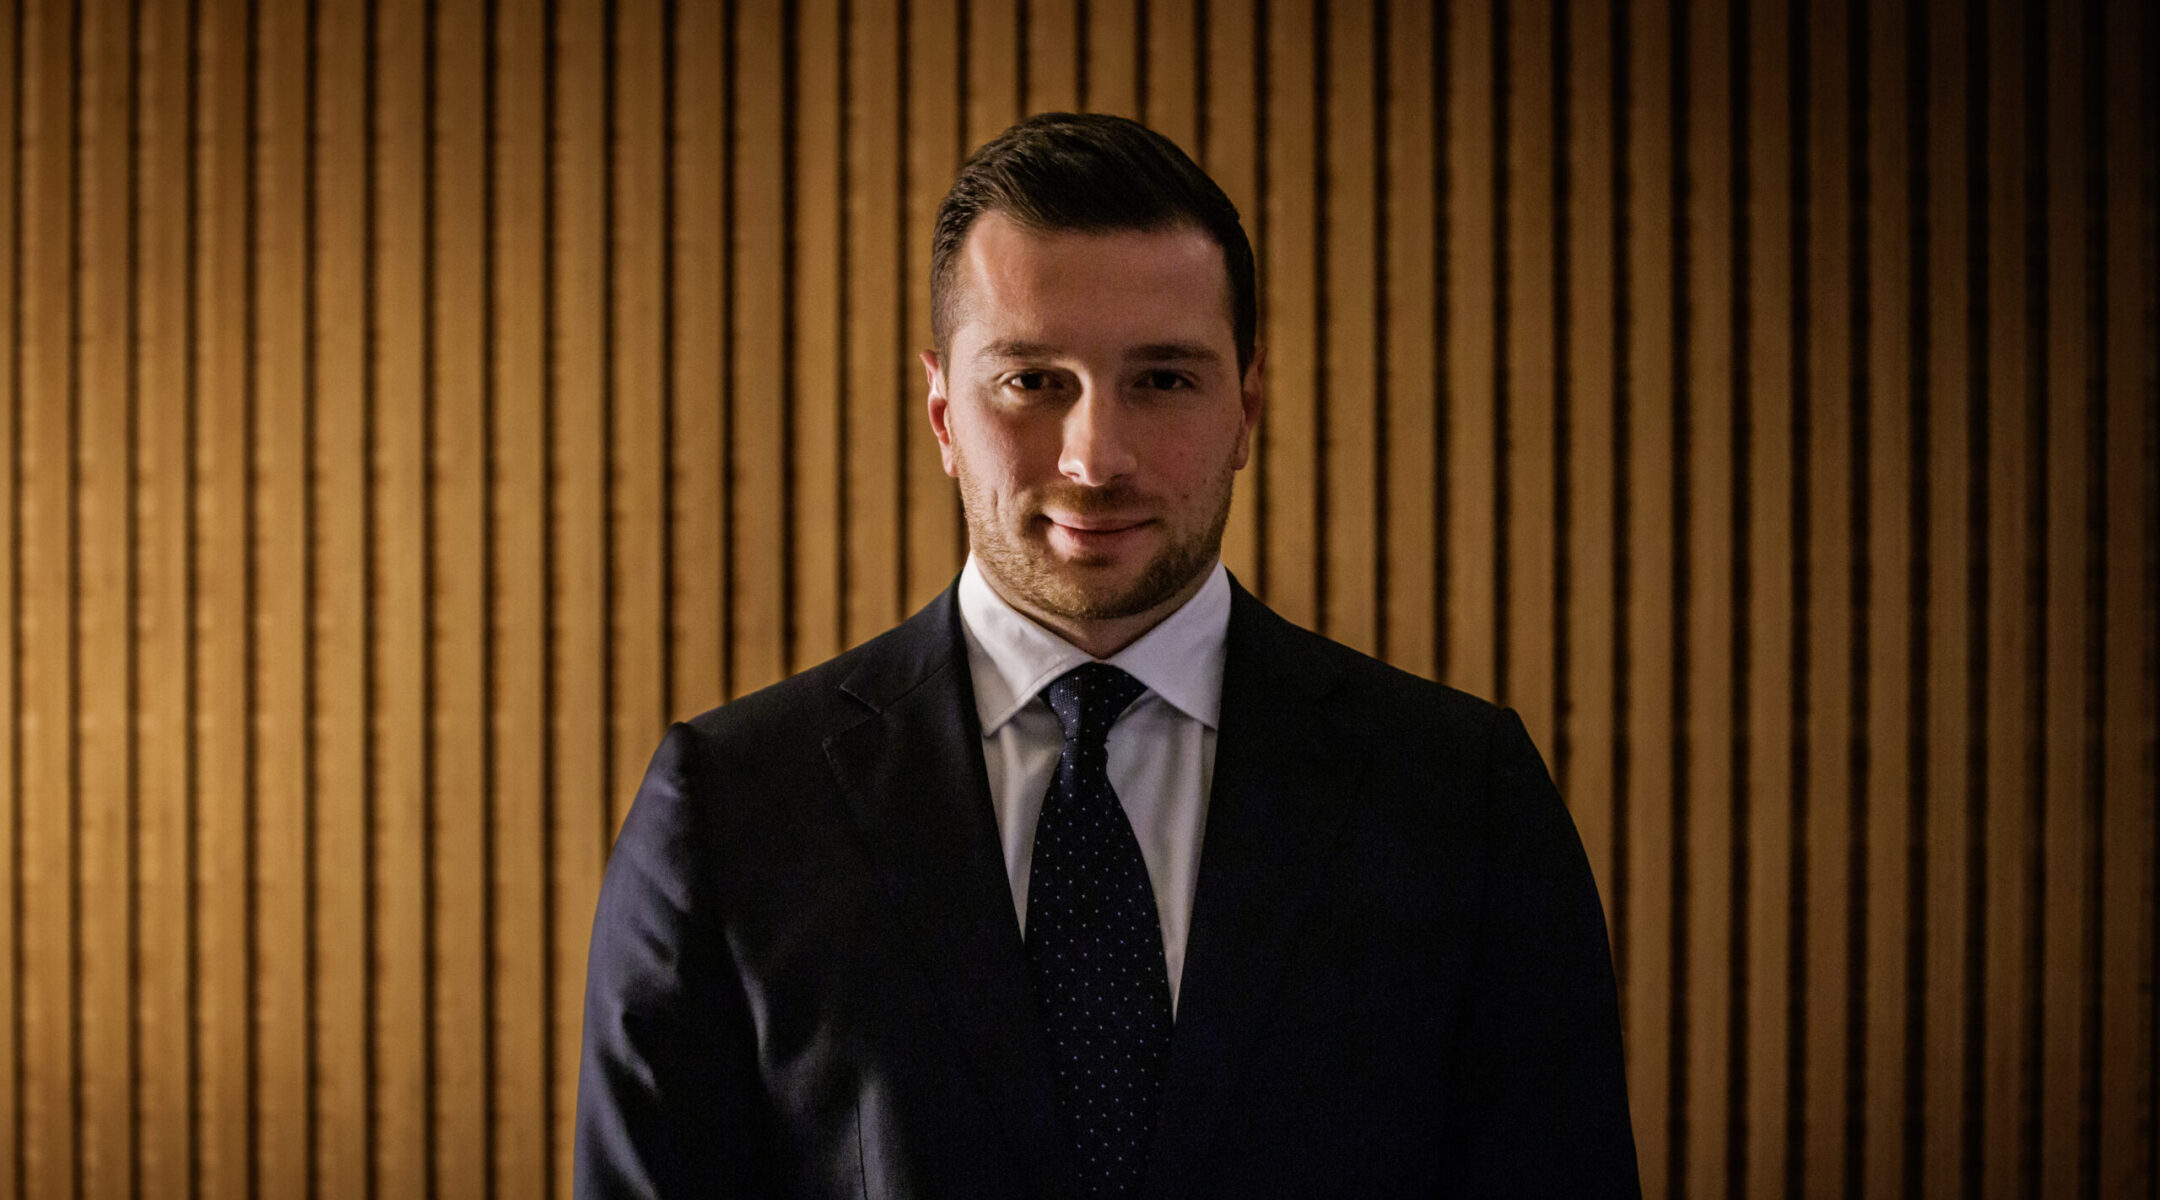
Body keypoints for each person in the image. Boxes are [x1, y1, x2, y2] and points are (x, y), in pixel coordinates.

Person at [574, 111, 1641, 1198]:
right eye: (1032, 381)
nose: (1097, 458)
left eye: (1164, 379)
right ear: (943, 410)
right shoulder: (733, 805)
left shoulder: (1466, 799)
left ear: (1248, 405)